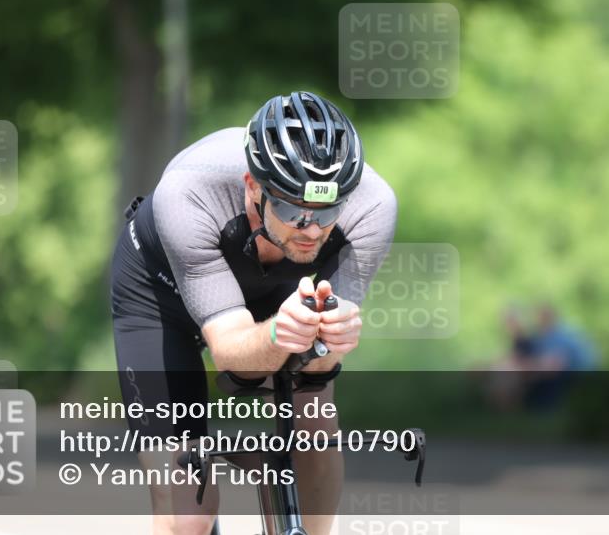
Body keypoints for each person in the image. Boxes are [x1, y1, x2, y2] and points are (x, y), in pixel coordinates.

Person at [110, 91, 397, 535]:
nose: (311, 229)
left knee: (315, 418)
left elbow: (316, 367)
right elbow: (232, 355)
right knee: (187, 512)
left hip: (271, 288)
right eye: (292, 209)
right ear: (252, 186)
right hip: (158, 296)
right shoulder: (188, 192)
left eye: (327, 211)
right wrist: (282, 334)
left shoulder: (372, 207)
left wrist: (328, 343)